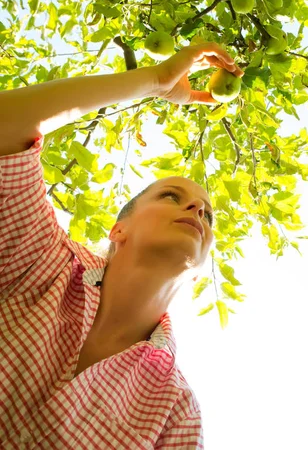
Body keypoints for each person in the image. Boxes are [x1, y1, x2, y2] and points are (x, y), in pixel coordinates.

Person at [0, 42, 244, 449]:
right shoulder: (42, 258)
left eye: (208, 213)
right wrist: (153, 81)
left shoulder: (175, 412)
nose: (197, 209)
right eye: (171, 196)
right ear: (118, 231)